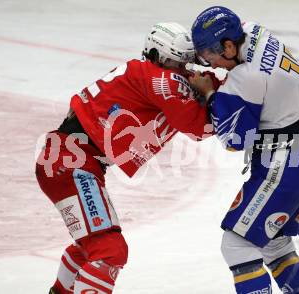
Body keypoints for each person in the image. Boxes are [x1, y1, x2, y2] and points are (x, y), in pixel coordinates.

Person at [36, 22, 212, 294]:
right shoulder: (159, 79)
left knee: (92, 247)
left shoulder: (148, 73)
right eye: (177, 63)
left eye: (186, 64)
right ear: (156, 56)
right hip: (71, 161)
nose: (183, 71)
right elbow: (201, 128)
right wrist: (219, 92)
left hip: (69, 158)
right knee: (110, 251)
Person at [189, 6, 299, 294]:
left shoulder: (246, 77)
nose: (211, 65)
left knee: (237, 245)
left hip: (283, 165)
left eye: (210, 55)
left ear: (229, 46)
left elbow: (234, 139)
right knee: (275, 242)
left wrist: (209, 93)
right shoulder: (255, 31)